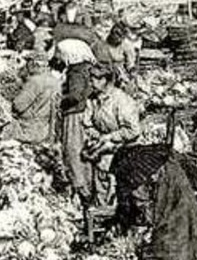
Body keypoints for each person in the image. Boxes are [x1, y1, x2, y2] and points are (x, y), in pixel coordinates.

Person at [82, 63, 142, 206]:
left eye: (95, 79)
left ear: (105, 80)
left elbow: (133, 130)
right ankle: (102, 214)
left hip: (123, 150)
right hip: (102, 151)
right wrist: (95, 137)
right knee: (100, 184)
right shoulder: (93, 99)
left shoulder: (121, 100)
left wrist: (110, 137)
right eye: (90, 79)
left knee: (117, 188)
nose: (91, 83)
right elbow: (87, 123)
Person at [56, 41, 97, 202]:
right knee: (83, 151)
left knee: (73, 150)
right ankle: (86, 185)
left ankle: (81, 187)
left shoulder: (76, 72)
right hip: (84, 112)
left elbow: (75, 96)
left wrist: (59, 99)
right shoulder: (87, 68)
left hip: (75, 115)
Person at [2, 56, 63, 148]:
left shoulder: (35, 81)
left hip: (26, 129)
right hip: (44, 130)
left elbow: (18, 105)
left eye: (28, 63)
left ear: (34, 64)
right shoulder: (55, 81)